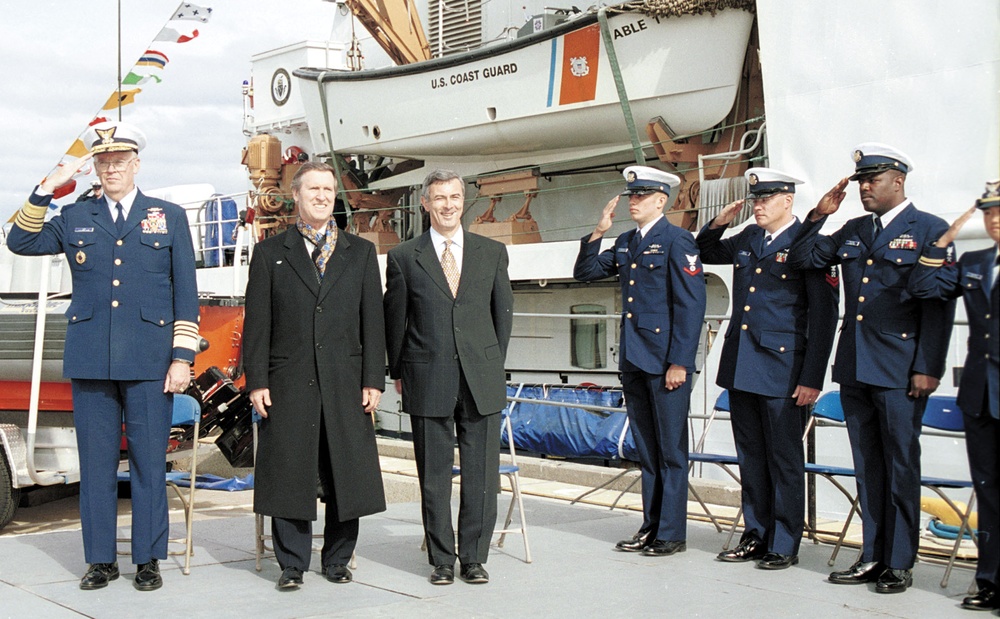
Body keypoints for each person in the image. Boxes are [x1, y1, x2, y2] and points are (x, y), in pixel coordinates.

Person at [6, 121, 200, 591]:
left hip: (150, 361)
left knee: (148, 464)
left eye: (120, 161)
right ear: (95, 167)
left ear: (136, 165)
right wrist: (47, 187)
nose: (111, 169)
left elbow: (186, 293)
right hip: (92, 357)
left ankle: (148, 559)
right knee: (95, 466)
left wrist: (181, 357)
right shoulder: (76, 215)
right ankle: (100, 560)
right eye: (104, 162)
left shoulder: (167, 216)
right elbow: (20, 240)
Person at [788, 143, 956, 593]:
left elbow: (938, 307)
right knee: (867, 466)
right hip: (855, 365)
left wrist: (927, 368)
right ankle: (872, 554)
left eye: (873, 180)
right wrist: (817, 216)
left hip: (901, 370)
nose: (865, 188)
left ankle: (899, 561)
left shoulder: (930, 229)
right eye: (861, 181)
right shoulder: (854, 228)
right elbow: (802, 259)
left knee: (900, 465)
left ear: (897, 181)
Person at [243, 161, 387, 590]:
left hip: (346, 381)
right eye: (313, 189)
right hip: (289, 381)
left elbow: (373, 322)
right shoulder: (270, 254)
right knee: (291, 471)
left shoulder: (360, 253)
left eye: (328, 189)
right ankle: (291, 564)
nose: (322, 196)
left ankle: (338, 559)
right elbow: (258, 325)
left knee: (346, 470)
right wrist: (257, 381)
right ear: (296, 196)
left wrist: (373, 378)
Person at [697, 168, 839, 570]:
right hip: (742, 364)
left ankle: (784, 542)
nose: (758, 206)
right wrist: (719, 222)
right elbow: (704, 251)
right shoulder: (748, 237)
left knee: (784, 458)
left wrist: (812, 378)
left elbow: (824, 317)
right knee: (751, 457)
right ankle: (755, 535)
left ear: (787, 201)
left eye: (765, 199)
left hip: (783, 369)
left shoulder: (809, 243)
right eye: (755, 200)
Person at [384, 169, 513, 585]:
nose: (448, 205)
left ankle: (473, 558)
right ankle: (441, 559)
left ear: (464, 200)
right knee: (434, 476)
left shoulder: (492, 253)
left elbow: (502, 316)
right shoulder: (404, 257)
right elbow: (396, 322)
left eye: (454, 197)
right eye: (439, 198)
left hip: (481, 379)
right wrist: (399, 371)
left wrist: (489, 365)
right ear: (425, 203)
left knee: (481, 476)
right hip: (427, 378)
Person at [574, 166, 707, 557]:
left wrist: (680, 362)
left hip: (666, 362)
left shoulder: (677, 240)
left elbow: (691, 305)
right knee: (647, 451)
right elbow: (585, 273)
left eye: (641, 196)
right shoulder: (626, 241)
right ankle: (651, 527)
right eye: (631, 195)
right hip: (634, 359)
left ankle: (672, 533)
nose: (633, 201)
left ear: (661, 200)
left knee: (670, 452)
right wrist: (598, 232)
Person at [907, 180, 1000, 611]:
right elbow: (925, 286)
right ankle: (990, 582)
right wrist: (944, 241)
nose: (994, 220)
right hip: (980, 396)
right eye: (989, 213)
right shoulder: (976, 261)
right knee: (989, 491)